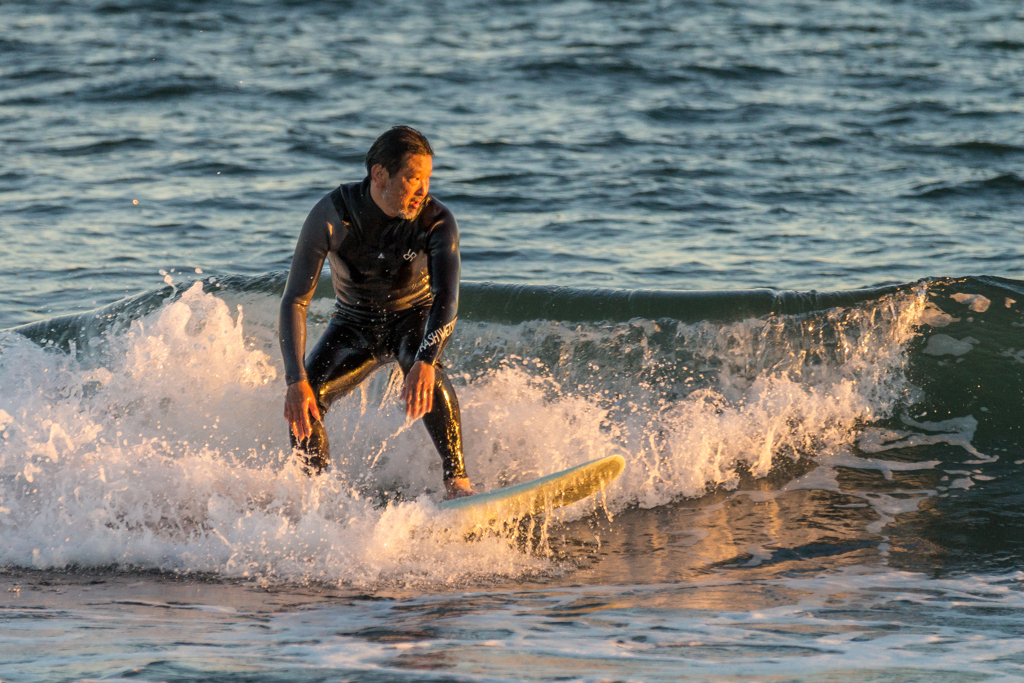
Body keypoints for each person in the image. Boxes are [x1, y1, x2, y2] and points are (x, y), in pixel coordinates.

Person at [278, 126, 475, 499]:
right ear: (380, 175)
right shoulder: (333, 214)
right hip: (353, 324)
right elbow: (294, 301)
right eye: (413, 179)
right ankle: (314, 500)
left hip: (412, 318)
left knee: (426, 374)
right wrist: (295, 379)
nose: (423, 191)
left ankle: (458, 483)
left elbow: (447, 298)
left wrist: (427, 359)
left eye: (428, 179)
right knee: (309, 397)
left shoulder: (436, 220)